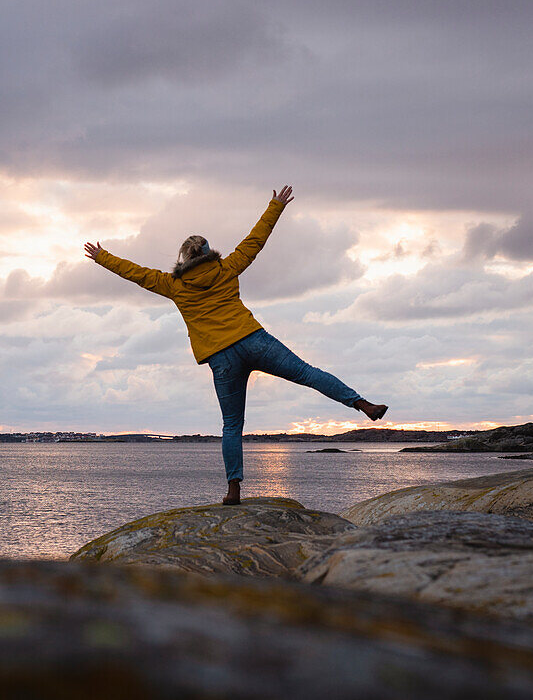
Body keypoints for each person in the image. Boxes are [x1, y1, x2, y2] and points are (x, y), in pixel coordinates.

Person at [84, 185, 387, 505]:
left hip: (221, 357)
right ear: (209, 251)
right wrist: (275, 206)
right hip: (253, 340)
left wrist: (102, 257)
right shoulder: (227, 267)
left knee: (232, 425)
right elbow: (255, 241)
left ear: (183, 259)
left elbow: (135, 274)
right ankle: (362, 404)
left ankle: (233, 490)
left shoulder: (172, 284)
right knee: (308, 374)